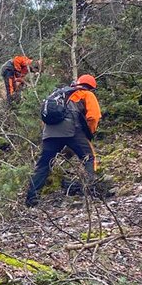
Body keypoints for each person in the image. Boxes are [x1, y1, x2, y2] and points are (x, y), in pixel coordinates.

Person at [25, 74, 102, 205]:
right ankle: (89, 189)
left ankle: (31, 199)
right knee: (89, 158)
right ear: (91, 87)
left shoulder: (59, 94)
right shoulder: (86, 94)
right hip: (72, 131)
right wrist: (89, 133)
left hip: (49, 133)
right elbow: (93, 117)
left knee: (43, 165)